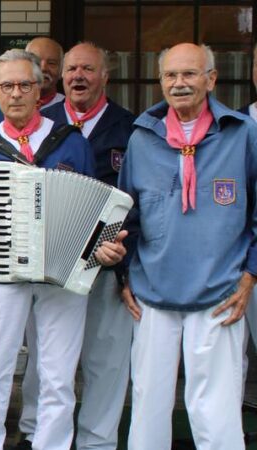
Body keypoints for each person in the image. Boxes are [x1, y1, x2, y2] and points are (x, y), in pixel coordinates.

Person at [0, 49, 125, 450]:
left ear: (41, 90)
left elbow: (97, 203)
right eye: (6, 86)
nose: (16, 94)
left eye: (25, 85)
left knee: (58, 374)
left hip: (60, 274)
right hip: (2, 273)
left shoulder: (70, 142)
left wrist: (104, 243)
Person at [120, 42, 257, 450]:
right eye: (170, 75)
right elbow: (125, 213)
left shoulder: (244, 135)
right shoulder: (142, 138)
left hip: (221, 292)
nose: (179, 83)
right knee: (148, 407)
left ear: (211, 79)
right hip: (151, 294)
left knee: (215, 412)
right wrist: (122, 273)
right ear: (161, 82)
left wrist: (250, 275)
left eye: (189, 74)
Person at [0, 37, 64, 131]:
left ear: (62, 70)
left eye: (52, 63)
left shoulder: (68, 110)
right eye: (37, 62)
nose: (43, 68)